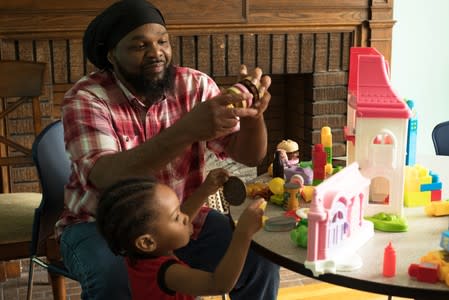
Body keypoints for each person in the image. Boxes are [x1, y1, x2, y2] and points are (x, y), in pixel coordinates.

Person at [58, 0, 280, 299]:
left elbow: (250, 156)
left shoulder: (195, 85)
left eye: (162, 41)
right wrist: (188, 129)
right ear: (112, 55)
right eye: (139, 46)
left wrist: (255, 117)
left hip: (180, 215)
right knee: (114, 280)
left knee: (260, 259)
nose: (156, 53)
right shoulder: (86, 99)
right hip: (98, 224)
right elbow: (106, 177)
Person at [96, 169, 266, 299]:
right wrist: (242, 234)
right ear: (147, 243)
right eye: (176, 216)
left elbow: (172, 225)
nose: (186, 217)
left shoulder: (139, 255)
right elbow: (219, 284)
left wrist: (204, 191)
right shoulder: (168, 273)